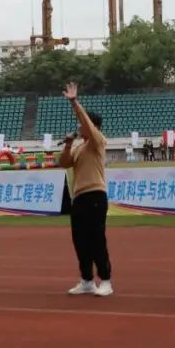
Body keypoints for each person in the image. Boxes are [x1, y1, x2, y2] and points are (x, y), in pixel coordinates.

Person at [57, 82, 113, 297]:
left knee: (97, 238)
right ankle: (86, 279)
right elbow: (64, 163)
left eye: (83, 125)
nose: (80, 127)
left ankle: (106, 279)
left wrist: (74, 102)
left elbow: (87, 125)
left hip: (96, 194)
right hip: (79, 196)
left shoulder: (98, 141)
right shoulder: (80, 146)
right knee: (79, 240)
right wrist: (69, 144)